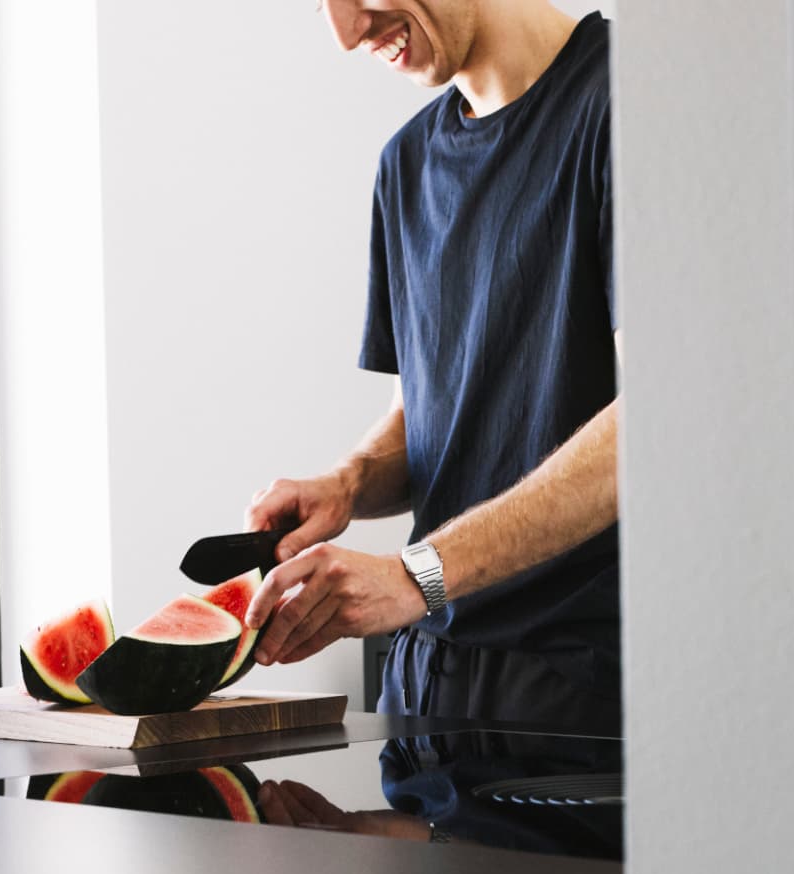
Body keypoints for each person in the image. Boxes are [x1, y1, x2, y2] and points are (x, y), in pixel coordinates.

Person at [241, 0, 621, 736]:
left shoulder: (627, 106)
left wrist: (415, 575)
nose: (347, 32)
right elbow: (425, 414)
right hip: (423, 687)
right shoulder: (405, 164)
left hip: (582, 702)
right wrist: (348, 482)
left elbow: (654, 424)